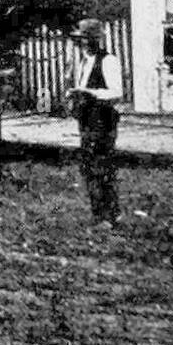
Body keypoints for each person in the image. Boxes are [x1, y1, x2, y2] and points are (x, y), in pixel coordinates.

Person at [65, 18, 124, 224]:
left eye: (86, 39)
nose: (82, 43)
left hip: (103, 119)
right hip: (87, 118)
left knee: (103, 166)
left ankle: (111, 214)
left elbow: (116, 92)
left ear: (95, 40)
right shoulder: (83, 62)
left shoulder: (108, 61)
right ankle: (98, 213)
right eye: (80, 39)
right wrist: (74, 96)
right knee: (89, 166)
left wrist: (90, 92)